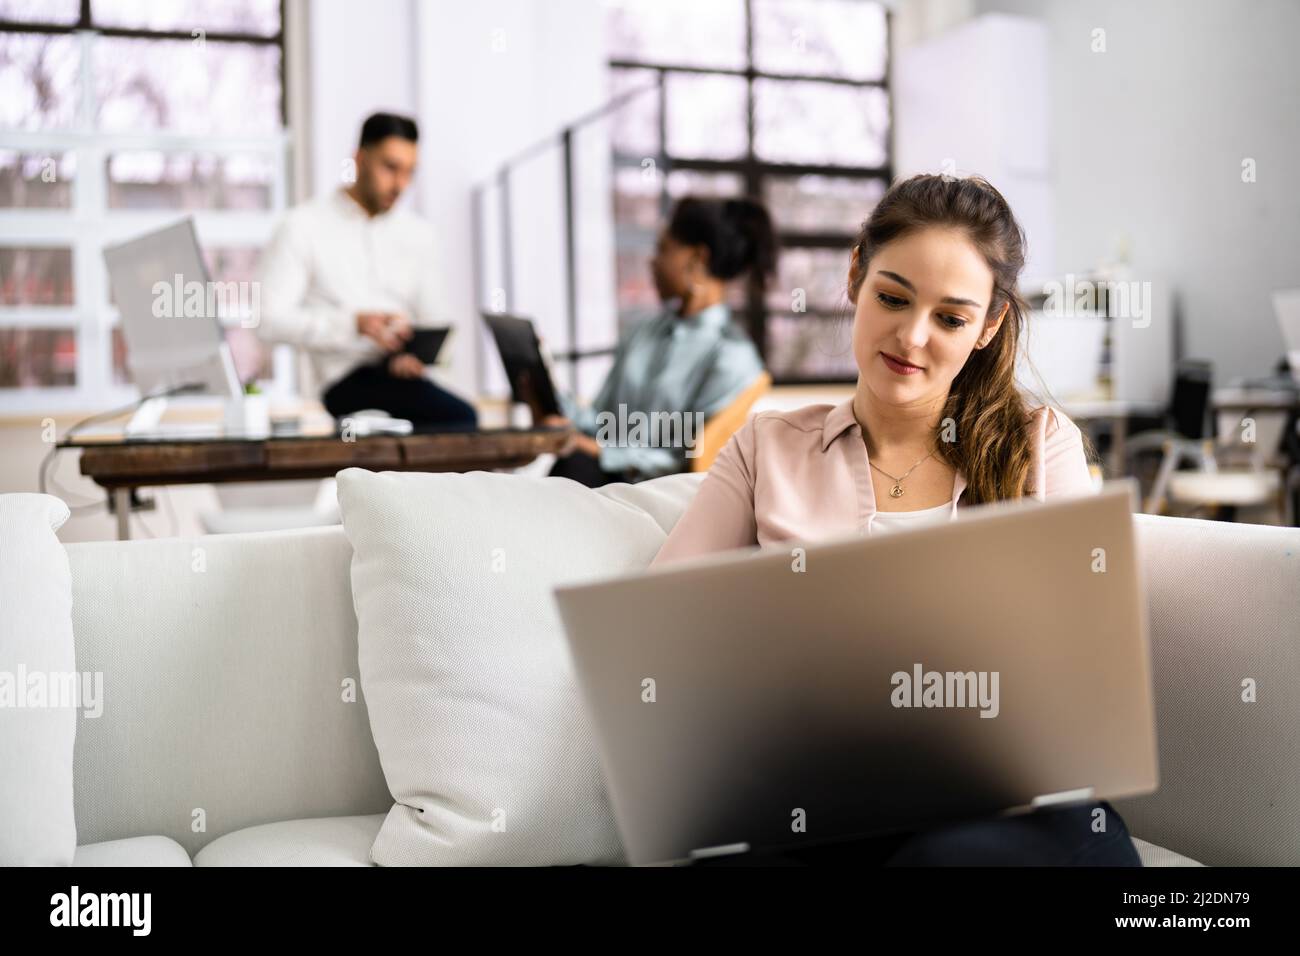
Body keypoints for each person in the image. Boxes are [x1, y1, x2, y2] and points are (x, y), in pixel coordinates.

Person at [653, 173, 1141, 866]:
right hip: (823, 797)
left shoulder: (1039, 442)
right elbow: (660, 629)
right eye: (892, 298)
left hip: (1012, 799)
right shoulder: (767, 448)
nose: (911, 338)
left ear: (989, 325)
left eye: (950, 318)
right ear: (855, 277)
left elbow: (1082, 660)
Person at [256, 112, 477, 427]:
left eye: (409, 172)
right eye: (390, 167)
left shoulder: (419, 235)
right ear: (359, 159)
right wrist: (352, 324)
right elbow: (267, 321)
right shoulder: (302, 227)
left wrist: (416, 355)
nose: (400, 184)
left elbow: (437, 319)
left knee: (457, 425)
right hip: (343, 381)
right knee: (460, 421)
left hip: (402, 377)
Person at [543, 196, 775, 486]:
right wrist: (552, 399)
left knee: (574, 469)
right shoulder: (643, 331)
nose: (653, 261)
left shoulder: (732, 358)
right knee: (568, 469)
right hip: (595, 474)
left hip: (656, 489)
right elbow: (600, 419)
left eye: (663, 249)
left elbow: (686, 460)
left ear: (697, 259)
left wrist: (602, 452)